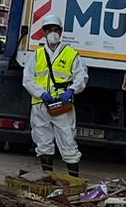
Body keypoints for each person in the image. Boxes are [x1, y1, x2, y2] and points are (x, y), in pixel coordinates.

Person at [23, 18, 87, 177]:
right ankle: (48, 178)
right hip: (41, 106)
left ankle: (74, 181)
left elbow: (82, 76)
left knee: (68, 143)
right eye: (49, 30)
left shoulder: (71, 54)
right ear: (44, 32)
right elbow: (28, 79)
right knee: (43, 143)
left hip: (62, 107)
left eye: (56, 29)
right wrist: (41, 93)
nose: (53, 33)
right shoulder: (37, 55)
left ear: (61, 31)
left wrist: (72, 90)